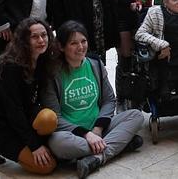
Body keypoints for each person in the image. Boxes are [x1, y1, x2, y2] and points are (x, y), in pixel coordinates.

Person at [42, 20, 144, 178]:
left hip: (100, 128)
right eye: (73, 43)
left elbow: (109, 100)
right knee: (57, 143)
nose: (80, 47)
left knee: (136, 116)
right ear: (61, 47)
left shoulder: (95, 64)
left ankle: (97, 157)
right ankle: (119, 144)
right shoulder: (53, 74)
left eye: (83, 41)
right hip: (72, 134)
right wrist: (86, 135)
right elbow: (56, 117)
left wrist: (97, 129)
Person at [0, 18, 58, 174]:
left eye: (44, 35)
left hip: (25, 118)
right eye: (35, 37)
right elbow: (13, 111)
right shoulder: (12, 67)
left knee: (49, 119)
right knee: (46, 166)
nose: (41, 40)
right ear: (24, 40)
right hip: (1, 126)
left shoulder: (43, 60)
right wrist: (34, 146)